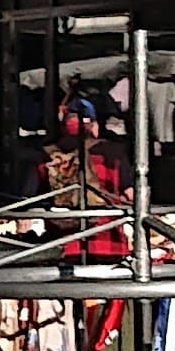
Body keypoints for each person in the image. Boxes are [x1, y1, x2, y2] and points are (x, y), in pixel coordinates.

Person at [26, 91, 133, 259]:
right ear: (94, 125)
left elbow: (29, 201)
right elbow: (130, 195)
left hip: (62, 248)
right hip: (109, 247)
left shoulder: (46, 157)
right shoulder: (112, 155)